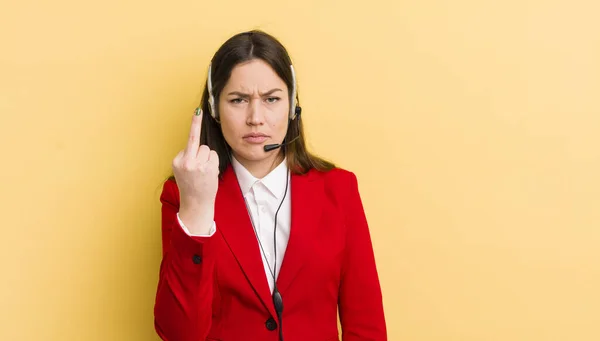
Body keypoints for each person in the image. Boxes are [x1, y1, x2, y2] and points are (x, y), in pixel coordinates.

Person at [153, 30, 387, 341]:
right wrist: (196, 208)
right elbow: (180, 333)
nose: (256, 118)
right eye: (238, 100)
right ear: (214, 108)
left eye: (272, 99)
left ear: (292, 107)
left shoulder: (339, 190)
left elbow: (366, 325)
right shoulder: (181, 195)